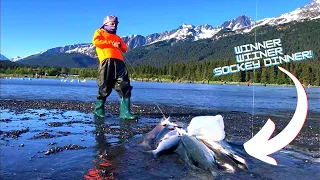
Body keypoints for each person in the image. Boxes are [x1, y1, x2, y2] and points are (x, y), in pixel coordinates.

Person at [92, 15, 137, 120]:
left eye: (116, 24)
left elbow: (125, 48)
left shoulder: (117, 37)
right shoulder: (99, 32)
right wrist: (111, 43)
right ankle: (98, 110)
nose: (114, 26)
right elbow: (96, 42)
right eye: (112, 24)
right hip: (106, 62)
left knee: (125, 85)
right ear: (105, 24)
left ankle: (125, 112)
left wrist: (119, 44)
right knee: (104, 85)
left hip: (120, 63)